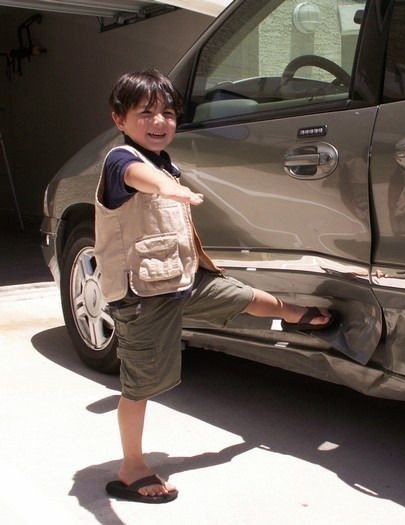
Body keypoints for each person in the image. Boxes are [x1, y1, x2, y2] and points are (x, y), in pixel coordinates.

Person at [95, 69, 334, 504]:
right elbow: (136, 175)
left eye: (168, 113)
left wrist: (172, 185)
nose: (159, 122)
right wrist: (171, 190)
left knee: (241, 296)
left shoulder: (165, 162)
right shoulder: (120, 161)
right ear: (119, 119)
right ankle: (131, 469)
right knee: (139, 387)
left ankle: (296, 316)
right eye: (146, 113)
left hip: (181, 280)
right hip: (141, 297)